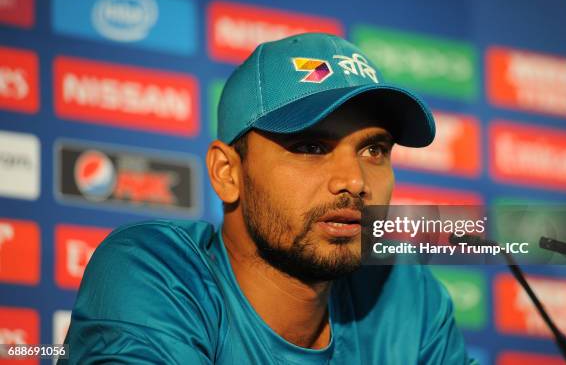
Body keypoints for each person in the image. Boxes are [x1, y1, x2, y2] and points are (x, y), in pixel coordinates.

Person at [60, 33, 475, 364]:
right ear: (228, 173)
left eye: (374, 150)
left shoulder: (404, 293)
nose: (355, 180)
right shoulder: (155, 271)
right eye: (311, 147)